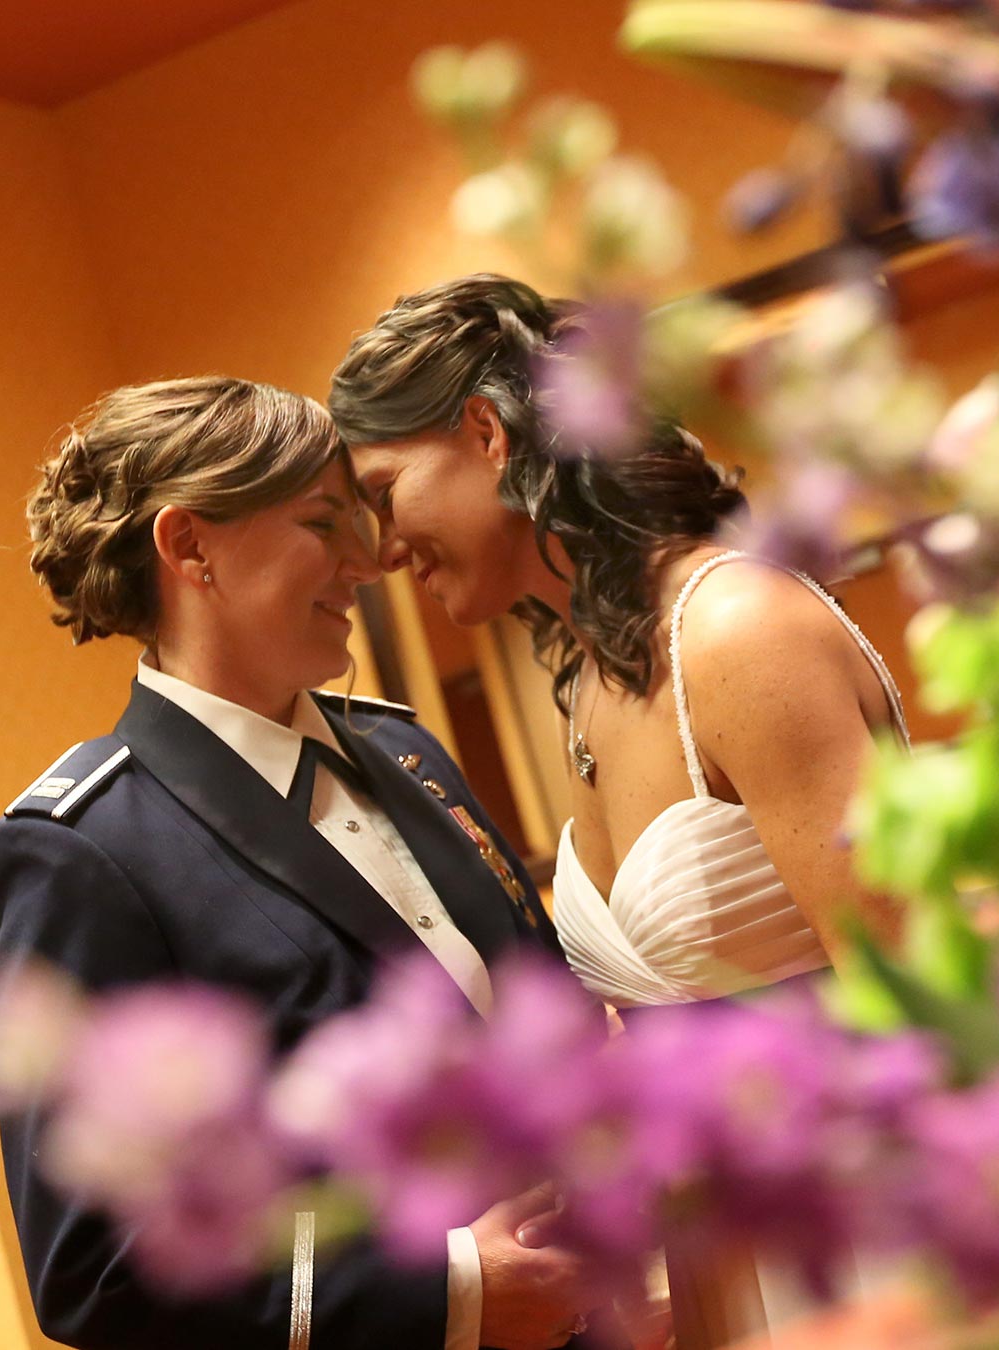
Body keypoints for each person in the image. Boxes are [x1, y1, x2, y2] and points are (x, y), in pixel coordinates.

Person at [331, 276, 910, 1347]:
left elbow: (914, 1004)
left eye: (385, 489)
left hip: (866, 1252)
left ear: (487, 434)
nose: (381, 550)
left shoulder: (735, 631)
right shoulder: (595, 676)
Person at [0, 376, 592, 1350]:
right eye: (322, 524)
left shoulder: (404, 752)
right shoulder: (81, 848)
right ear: (189, 548)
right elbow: (95, 1271)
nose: (368, 560)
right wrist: (453, 1291)